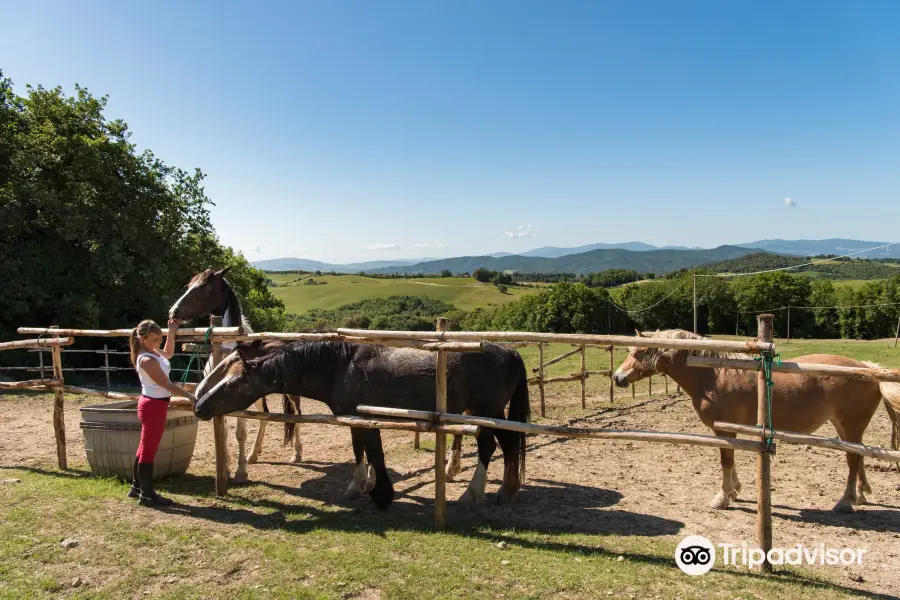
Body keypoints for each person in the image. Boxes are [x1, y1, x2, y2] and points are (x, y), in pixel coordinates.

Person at [127, 318, 197, 506]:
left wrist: (172, 331)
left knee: (144, 448)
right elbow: (165, 384)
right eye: (154, 339)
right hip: (153, 406)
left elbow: (169, 353)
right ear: (142, 339)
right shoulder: (147, 359)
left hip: (155, 404)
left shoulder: (153, 351)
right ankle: (147, 495)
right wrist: (190, 396)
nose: (158, 343)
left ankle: (137, 487)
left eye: (159, 338)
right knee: (149, 451)